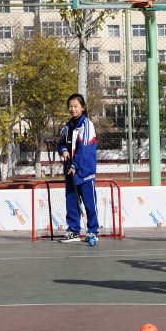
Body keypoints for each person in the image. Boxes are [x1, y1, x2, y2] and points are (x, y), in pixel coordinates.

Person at [57, 93, 100, 246]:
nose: (72, 109)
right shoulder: (67, 126)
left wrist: (75, 165)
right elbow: (61, 143)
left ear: (83, 107)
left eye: (76, 106)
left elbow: (85, 149)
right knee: (71, 204)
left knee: (89, 204)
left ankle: (93, 231)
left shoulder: (87, 125)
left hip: (84, 172)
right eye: (70, 106)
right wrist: (63, 151)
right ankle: (74, 231)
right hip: (70, 172)